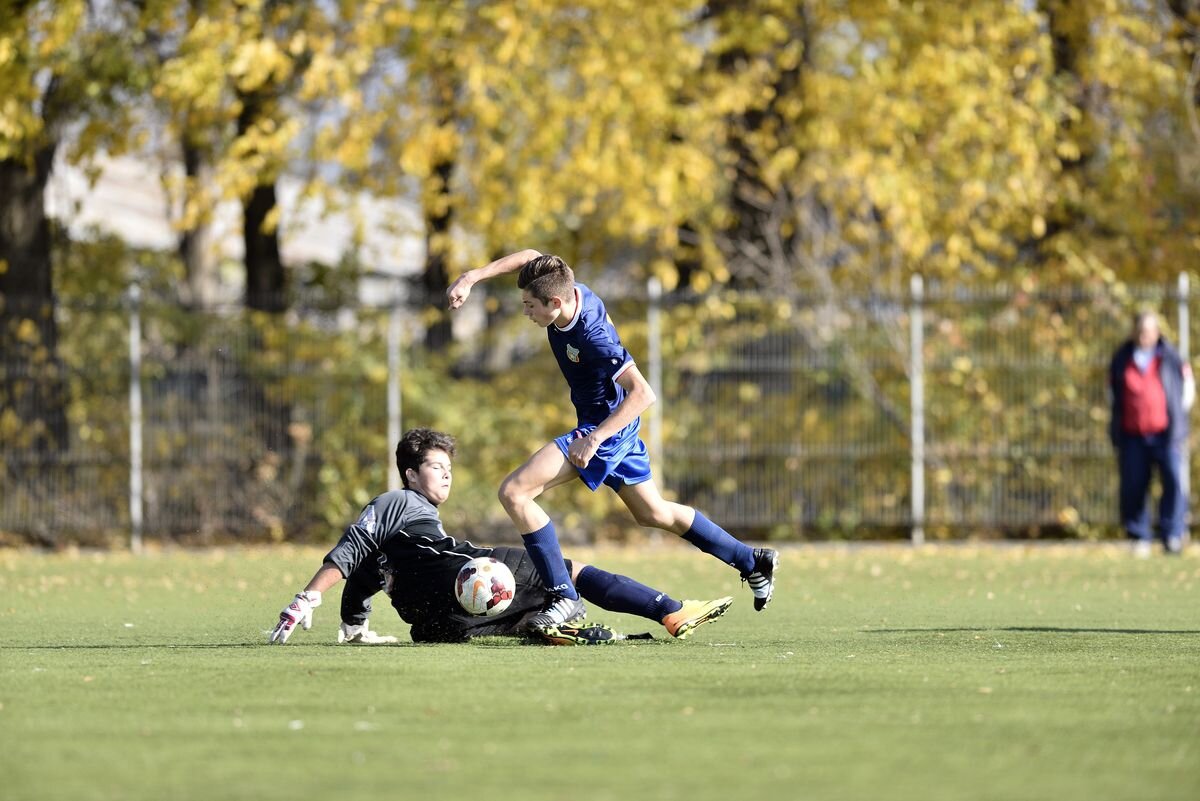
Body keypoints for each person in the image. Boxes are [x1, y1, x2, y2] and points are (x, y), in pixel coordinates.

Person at [446, 251, 777, 629]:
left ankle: (564, 596)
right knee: (653, 512)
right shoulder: (561, 281)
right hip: (608, 423)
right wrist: (472, 276)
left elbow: (643, 393)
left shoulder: (592, 336)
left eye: (530, 305)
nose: (526, 312)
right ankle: (751, 560)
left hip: (605, 427)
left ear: (555, 302)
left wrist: (594, 438)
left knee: (516, 492)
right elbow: (530, 257)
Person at [268, 428, 734, 646]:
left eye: (450, 468)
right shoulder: (397, 501)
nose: (446, 476)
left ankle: (551, 629)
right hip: (469, 570)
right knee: (568, 573)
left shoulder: (404, 529)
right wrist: (307, 597)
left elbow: (366, 569)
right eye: (436, 467)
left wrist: (354, 624)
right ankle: (669, 611)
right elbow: (350, 550)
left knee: (535, 614)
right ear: (410, 474)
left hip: (436, 623)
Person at [1109, 311, 1194, 556]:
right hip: (1133, 434)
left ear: (1157, 332)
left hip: (1165, 434)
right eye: (1140, 331)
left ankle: (1172, 535)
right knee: (1134, 485)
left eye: (1148, 331)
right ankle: (1139, 537)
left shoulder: (1171, 356)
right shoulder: (1122, 357)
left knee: (1173, 483)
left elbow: (1186, 392)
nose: (1144, 336)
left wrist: (1175, 420)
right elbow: (1113, 393)